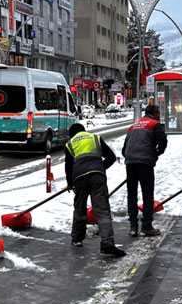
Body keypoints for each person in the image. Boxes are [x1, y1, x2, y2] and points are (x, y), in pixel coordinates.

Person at [65, 123, 125, 257]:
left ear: (72, 134)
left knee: (79, 208)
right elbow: (111, 157)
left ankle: (77, 239)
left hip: (79, 177)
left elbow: (69, 167)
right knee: (102, 210)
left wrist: (70, 183)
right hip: (97, 177)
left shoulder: (70, 144)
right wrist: (100, 167)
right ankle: (107, 244)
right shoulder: (95, 138)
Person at [122, 104, 168, 237]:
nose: (159, 115)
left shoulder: (134, 126)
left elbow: (124, 149)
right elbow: (163, 142)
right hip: (145, 163)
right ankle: (146, 226)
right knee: (147, 195)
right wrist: (155, 154)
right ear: (155, 113)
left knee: (132, 195)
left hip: (130, 163)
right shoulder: (155, 124)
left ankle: (133, 227)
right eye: (158, 112)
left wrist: (132, 158)